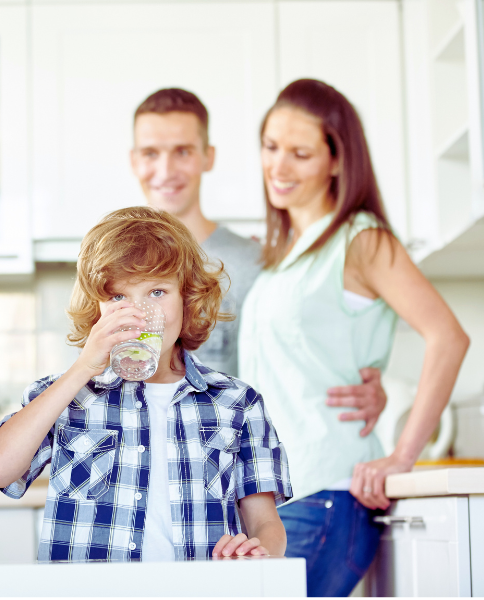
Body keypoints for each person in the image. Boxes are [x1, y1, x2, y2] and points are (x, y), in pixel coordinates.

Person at [238, 79, 470, 596]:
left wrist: (402, 455)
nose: (278, 167)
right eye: (271, 147)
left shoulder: (361, 239)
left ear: (337, 161)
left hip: (325, 496)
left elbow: (448, 337)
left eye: (300, 153)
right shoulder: (287, 256)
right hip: (280, 500)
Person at [0, 206, 292, 561]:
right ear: (97, 308)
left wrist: (257, 550)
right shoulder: (66, 395)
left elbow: (266, 524)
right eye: (118, 297)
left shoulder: (237, 403)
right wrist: (83, 368)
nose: (140, 313)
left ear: (187, 298)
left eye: (157, 292)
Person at [130, 88, 387, 438]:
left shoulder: (260, 264)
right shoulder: (112, 265)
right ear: (133, 160)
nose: (166, 169)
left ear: (208, 157)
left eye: (183, 151)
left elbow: (302, 357)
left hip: (231, 470)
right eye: (150, 153)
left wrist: (371, 388)